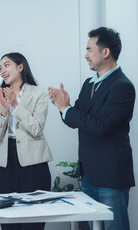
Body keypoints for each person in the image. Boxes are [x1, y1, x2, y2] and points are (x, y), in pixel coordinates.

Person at [48, 27, 135, 230]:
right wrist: (64, 108)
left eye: (89, 49)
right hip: (88, 175)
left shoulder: (122, 86)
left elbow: (101, 126)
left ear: (105, 52)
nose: (85, 55)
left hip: (111, 177)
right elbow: (75, 120)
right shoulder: (89, 83)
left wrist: (68, 109)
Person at [0, 52, 53, 230]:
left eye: (7, 65)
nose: (3, 70)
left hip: (34, 162)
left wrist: (16, 106)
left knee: (33, 219)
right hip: (5, 162)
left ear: (20, 67)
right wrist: (3, 111)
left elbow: (36, 128)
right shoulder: (0, 96)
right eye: (0, 67)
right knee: (8, 219)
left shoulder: (39, 93)